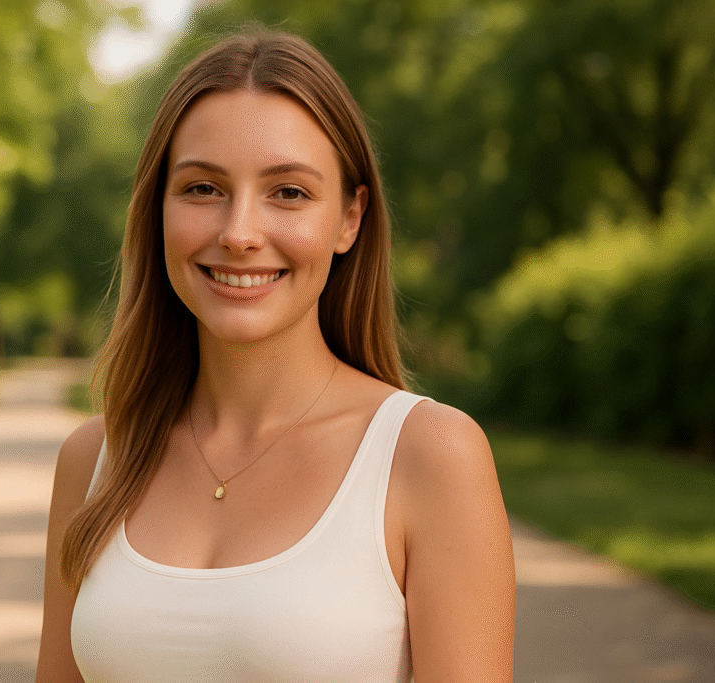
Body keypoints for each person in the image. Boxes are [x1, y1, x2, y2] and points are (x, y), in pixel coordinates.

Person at [35, 28, 514, 683]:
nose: (238, 233)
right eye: (203, 188)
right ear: (158, 210)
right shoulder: (92, 460)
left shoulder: (430, 455)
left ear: (349, 218)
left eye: (288, 192)